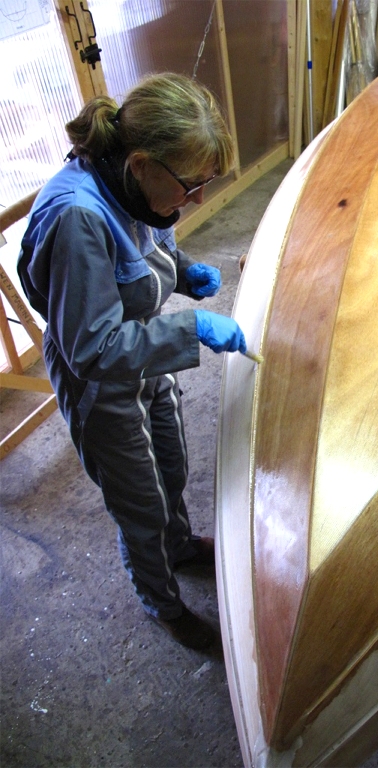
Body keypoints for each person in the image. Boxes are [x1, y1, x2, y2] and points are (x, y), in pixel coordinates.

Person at [17, 72, 247, 652]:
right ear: (142, 163)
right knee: (138, 501)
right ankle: (162, 601)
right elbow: (91, 349)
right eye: (191, 185)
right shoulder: (78, 219)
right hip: (99, 374)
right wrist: (188, 326)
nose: (196, 200)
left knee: (170, 460)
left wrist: (184, 266)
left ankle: (177, 544)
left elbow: (152, 231)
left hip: (142, 351)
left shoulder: (131, 183)